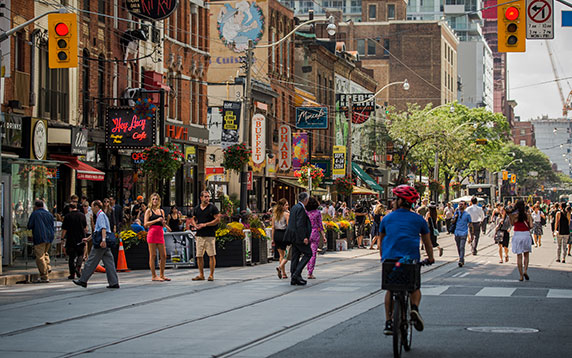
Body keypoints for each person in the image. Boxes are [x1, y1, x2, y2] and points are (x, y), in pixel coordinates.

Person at [379, 185, 434, 335]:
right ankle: (414, 309)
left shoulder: (387, 218)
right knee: (414, 288)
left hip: (391, 261)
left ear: (400, 200)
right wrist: (430, 258)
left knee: (390, 289)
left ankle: (388, 322)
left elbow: (381, 242)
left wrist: (382, 257)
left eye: (395, 199)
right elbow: (427, 243)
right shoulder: (419, 220)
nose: (393, 201)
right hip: (410, 261)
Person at [73, 200, 119, 289]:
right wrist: (88, 239)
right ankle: (114, 282)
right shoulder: (101, 215)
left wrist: (103, 240)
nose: (91, 208)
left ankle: (83, 280)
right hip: (104, 243)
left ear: (96, 207)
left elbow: (103, 229)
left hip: (100, 243)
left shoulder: (100, 216)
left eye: (92, 206)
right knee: (109, 263)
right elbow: (96, 231)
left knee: (90, 261)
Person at [190, 191, 220, 281]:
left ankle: (211, 275)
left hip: (209, 234)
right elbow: (193, 218)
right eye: (205, 197)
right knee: (199, 255)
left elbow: (217, 219)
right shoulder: (197, 208)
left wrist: (205, 224)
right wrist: (195, 225)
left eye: (208, 197)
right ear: (201, 198)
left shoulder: (212, 208)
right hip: (199, 235)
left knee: (211, 254)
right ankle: (201, 274)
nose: (207, 199)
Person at [284, 192, 312, 286]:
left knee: (295, 256)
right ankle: (296, 274)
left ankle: (294, 278)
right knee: (308, 253)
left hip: (292, 236)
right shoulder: (300, 208)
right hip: (298, 236)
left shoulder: (294, 207)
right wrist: (304, 237)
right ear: (306, 200)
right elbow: (300, 224)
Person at [27, 200, 55, 283]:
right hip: (49, 236)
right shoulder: (49, 214)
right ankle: (48, 267)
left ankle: (44, 275)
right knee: (45, 253)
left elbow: (30, 225)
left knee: (39, 256)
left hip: (39, 236)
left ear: (35, 206)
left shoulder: (35, 214)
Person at [144, 193, 170, 282]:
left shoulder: (161, 211)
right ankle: (154, 275)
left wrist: (165, 224)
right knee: (153, 255)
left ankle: (162, 274)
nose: (155, 201)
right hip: (152, 233)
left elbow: (162, 223)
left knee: (163, 255)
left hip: (160, 233)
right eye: (153, 199)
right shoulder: (149, 211)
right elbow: (145, 224)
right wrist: (156, 220)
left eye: (156, 199)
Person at [61, 203, 87, 279]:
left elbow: (64, 229)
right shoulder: (82, 215)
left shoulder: (67, 216)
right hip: (80, 237)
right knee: (80, 254)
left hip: (70, 238)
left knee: (71, 257)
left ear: (70, 208)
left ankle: (72, 273)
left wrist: (62, 238)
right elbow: (85, 227)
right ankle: (78, 268)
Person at [509, 200, 533, 281]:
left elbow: (512, 224)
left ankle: (521, 276)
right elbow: (531, 226)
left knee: (519, 256)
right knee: (526, 255)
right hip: (526, 235)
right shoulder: (527, 215)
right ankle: (525, 271)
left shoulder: (513, 215)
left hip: (517, 235)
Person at [306, 197, 325, 279]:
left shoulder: (306, 212)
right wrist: (324, 236)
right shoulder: (317, 213)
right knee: (313, 254)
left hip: (306, 233)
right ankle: (310, 272)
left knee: (307, 253)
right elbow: (320, 225)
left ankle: (307, 267)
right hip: (315, 233)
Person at [272, 199, 290, 279]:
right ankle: (280, 267)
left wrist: (272, 239)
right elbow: (289, 226)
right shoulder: (286, 214)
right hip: (284, 234)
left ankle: (283, 273)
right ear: (282, 206)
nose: (288, 206)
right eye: (286, 205)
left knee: (281, 255)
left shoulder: (274, 215)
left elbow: (273, 227)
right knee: (287, 255)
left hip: (276, 235)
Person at [453, 201, 472, 267]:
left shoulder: (467, 214)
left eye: (462, 205)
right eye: (460, 204)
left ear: (465, 206)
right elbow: (452, 222)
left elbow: (470, 224)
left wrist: (470, 235)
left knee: (462, 246)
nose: (460, 206)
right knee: (458, 247)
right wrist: (455, 217)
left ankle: (461, 260)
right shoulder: (456, 213)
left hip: (464, 232)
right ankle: (461, 258)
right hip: (457, 232)